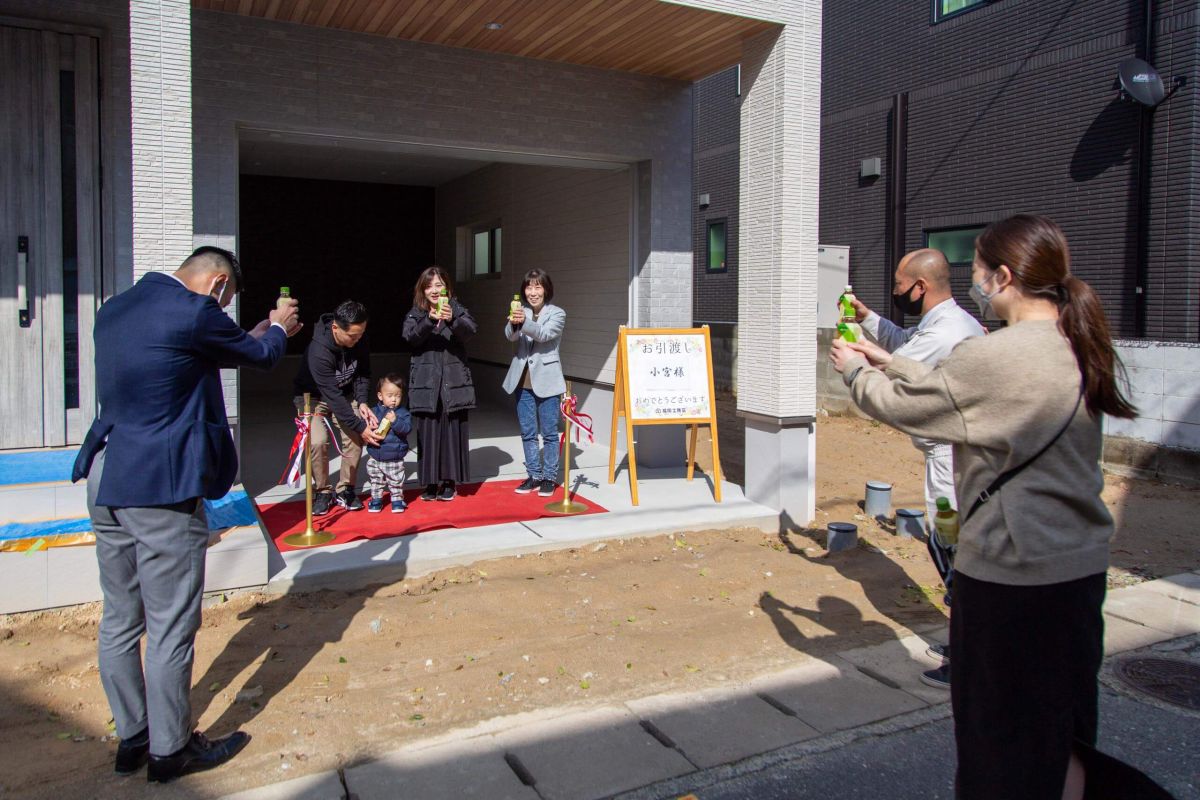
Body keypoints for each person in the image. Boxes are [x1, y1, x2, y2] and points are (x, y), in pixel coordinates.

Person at [829, 215, 1171, 800]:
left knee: (998, 737)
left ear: (1004, 276)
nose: (977, 283)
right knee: (1057, 729)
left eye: (981, 272)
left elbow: (910, 407)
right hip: (1078, 571)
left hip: (1012, 575)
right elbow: (965, 392)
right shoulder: (1078, 340)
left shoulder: (997, 354)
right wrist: (899, 362)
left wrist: (858, 371)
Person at [70, 246, 301, 782]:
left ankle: (133, 738)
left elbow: (199, 351)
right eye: (225, 301)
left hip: (107, 473)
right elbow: (261, 357)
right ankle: (171, 751)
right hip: (159, 484)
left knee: (121, 619)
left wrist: (254, 328)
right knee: (171, 625)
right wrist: (280, 328)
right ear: (217, 283)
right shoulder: (195, 314)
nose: (221, 310)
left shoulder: (116, 308)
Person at [849, 248, 985, 689]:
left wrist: (856, 368)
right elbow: (905, 344)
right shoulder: (946, 323)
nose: (895, 292)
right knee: (951, 547)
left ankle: (968, 653)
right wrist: (868, 317)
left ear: (920, 287)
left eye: (898, 285)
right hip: (948, 454)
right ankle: (964, 638)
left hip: (949, 459)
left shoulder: (945, 334)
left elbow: (896, 377)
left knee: (952, 551)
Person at [293, 300, 382, 516]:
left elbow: (363, 373)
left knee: (354, 438)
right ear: (335, 328)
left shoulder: (359, 338)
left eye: (361, 334)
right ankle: (322, 491)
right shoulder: (319, 350)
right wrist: (361, 426)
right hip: (312, 398)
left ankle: (346, 489)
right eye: (352, 336)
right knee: (317, 441)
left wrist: (361, 402)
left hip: (344, 394)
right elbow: (331, 395)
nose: (357, 339)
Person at [403, 267, 478, 501]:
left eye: (439, 285)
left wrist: (452, 318)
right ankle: (430, 483)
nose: (434, 290)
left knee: (452, 431)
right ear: (422, 290)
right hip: (426, 384)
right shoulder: (416, 313)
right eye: (429, 286)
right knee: (428, 432)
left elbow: (471, 331)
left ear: (447, 287)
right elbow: (409, 338)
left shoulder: (457, 308)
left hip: (454, 382)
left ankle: (449, 482)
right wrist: (428, 320)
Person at [503, 269, 567, 497]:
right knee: (527, 432)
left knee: (549, 432)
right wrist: (514, 322)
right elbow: (510, 336)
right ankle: (534, 475)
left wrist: (523, 321)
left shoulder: (558, 313)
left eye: (537, 287)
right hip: (522, 380)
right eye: (529, 287)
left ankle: (549, 477)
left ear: (546, 289)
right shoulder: (520, 311)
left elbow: (544, 334)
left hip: (548, 381)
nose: (533, 292)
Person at [365, 373, 413, 513]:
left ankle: (397, 500)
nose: (394, 400)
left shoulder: (403, 413)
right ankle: (376, 500)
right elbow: (366, 426)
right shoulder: (374, 412)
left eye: (398, 396)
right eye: (390, 395)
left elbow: (406, 429)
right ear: (380, 396)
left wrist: (395, 421)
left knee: (395, 480)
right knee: (376, 480)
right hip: (375, 454)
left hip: (394, 455)